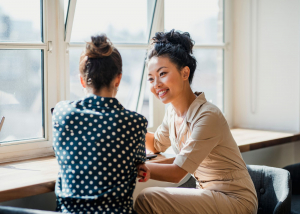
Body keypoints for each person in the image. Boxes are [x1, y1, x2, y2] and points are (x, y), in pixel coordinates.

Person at [134, 30, 258, 214]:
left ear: (185, 73)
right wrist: (128, 125)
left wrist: (131, 166)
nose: (156, 84)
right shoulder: (172, 113)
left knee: (148, 198)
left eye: (162, 74)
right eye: (151, 78)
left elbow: (177, 173)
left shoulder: (208, 115)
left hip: (236, 200)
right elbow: (158, 144)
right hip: (208, 194)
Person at [52, 34, 150, 214]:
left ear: (82, 80)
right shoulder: (135, 122)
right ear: (118, 79)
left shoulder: (61, 112)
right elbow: (139, 163)